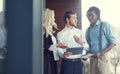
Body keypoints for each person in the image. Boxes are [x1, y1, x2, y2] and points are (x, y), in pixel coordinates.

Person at [85, 6, 116, 74]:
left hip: (103, 58)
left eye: (91, 15)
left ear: (97, 15)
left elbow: (113, 43)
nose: (89, 17)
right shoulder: (88, 30)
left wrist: (101, 53)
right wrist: (86, 55)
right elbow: (87, 46)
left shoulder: (104, 25)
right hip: (92, 59)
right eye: (88, 16)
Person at [43, 8, 67, 74]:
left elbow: (53, 48)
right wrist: (58, 45)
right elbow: (45, 47)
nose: (54, 19)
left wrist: (62, 52)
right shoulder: (43, 32)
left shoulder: (49, 32)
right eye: (53, 17)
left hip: (52, 60)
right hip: (47, 61)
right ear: (48, 18)